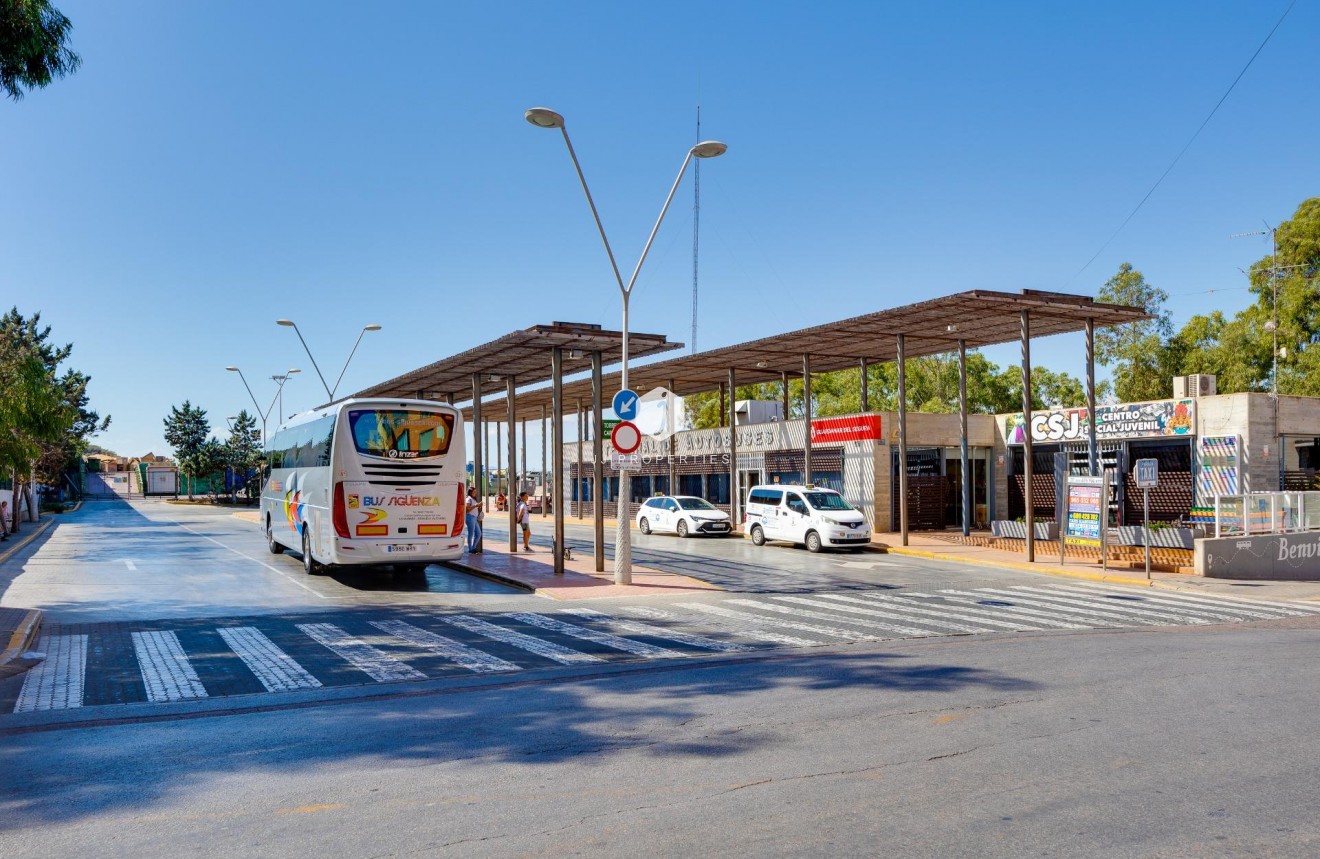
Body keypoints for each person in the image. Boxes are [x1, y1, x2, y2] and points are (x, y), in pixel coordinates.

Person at [464, 486, 482, 554]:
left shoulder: (473, 499)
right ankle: (470, 549)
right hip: (470, 517)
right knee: (471, 533)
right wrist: (475, 506)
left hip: (474, 518)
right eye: (474, 492)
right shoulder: (468, 499)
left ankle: (473, 548)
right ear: (470, 492)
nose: (475, 493)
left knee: (478, 533)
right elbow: (467, 510)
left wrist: (478, 506)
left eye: (476, 492)